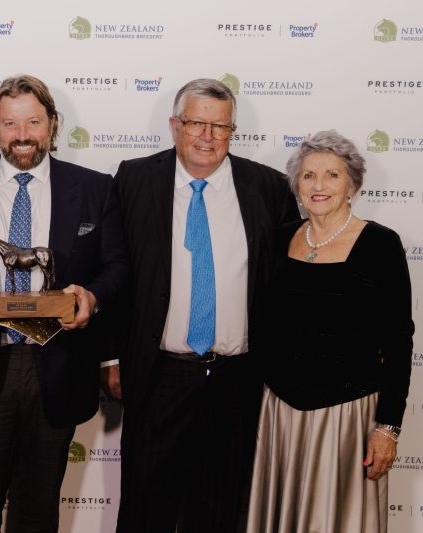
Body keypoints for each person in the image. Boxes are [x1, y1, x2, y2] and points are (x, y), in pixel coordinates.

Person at [0, 74, 128, 532]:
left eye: (33, 121)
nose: (22, 134)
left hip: (58, 366)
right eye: (10, 123)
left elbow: (116, 266)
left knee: (38, 512)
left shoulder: (95, 188)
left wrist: (91, 296)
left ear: (52, 123)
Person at [107, 78, 300, 533]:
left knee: (219, 512)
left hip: (237, 379)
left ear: (233, 131)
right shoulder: (133, 179)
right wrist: (111, 356)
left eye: (220, 126)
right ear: (175, 125)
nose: (207, 136)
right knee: (145, 511)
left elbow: (290, 283)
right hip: (157, 374)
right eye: (196, 123)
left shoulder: (268, 186)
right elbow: (114, 272)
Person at [246, 130, 414, 533]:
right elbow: (263, 327)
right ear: (296, 185)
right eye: (308, 175)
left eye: (332, 175)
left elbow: (398, 342)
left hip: (345, 420)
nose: (318, 185)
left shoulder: (380, 244)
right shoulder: (280, 237)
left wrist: (387, 427)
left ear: (352, 184)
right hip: (278, 416)